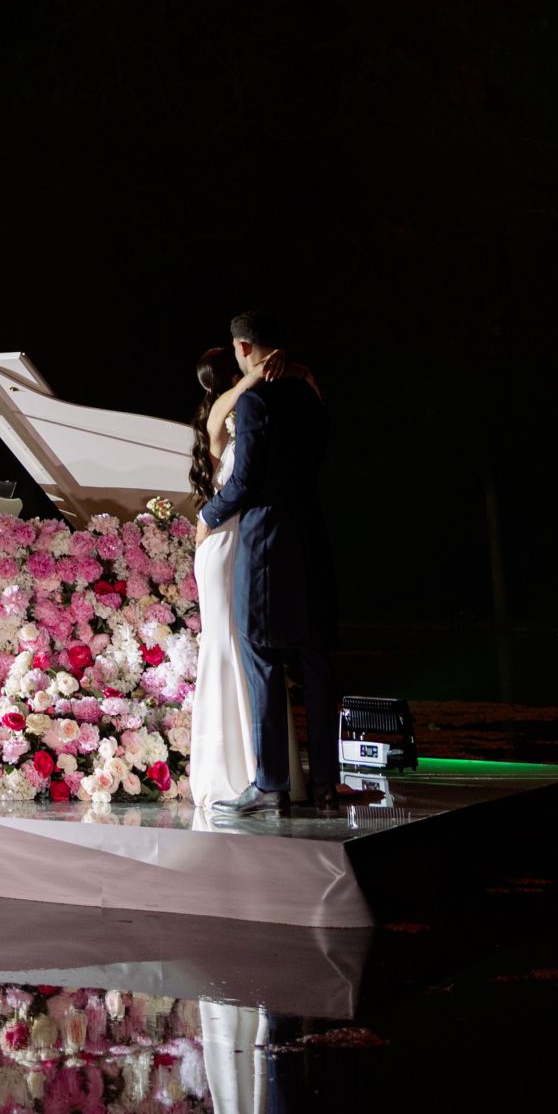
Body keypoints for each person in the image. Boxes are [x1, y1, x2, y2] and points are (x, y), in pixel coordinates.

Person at [198, 310, 346, 817]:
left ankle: (272, 784)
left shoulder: (256, 401)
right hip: (312, 539)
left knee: (262, 658)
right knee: (317, 665)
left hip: (266, 546)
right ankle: (327, 785)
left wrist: (208, 515)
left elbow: (243, 483)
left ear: (242, 348)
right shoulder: (308, 395)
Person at [187, 346, 261, 813]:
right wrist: (262, 371)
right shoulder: (221, 411)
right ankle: (227, 771)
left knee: (243, 643)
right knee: (224, 643)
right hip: (220, 542)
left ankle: (256, 766)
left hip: (239, 538)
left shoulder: (238, 419)